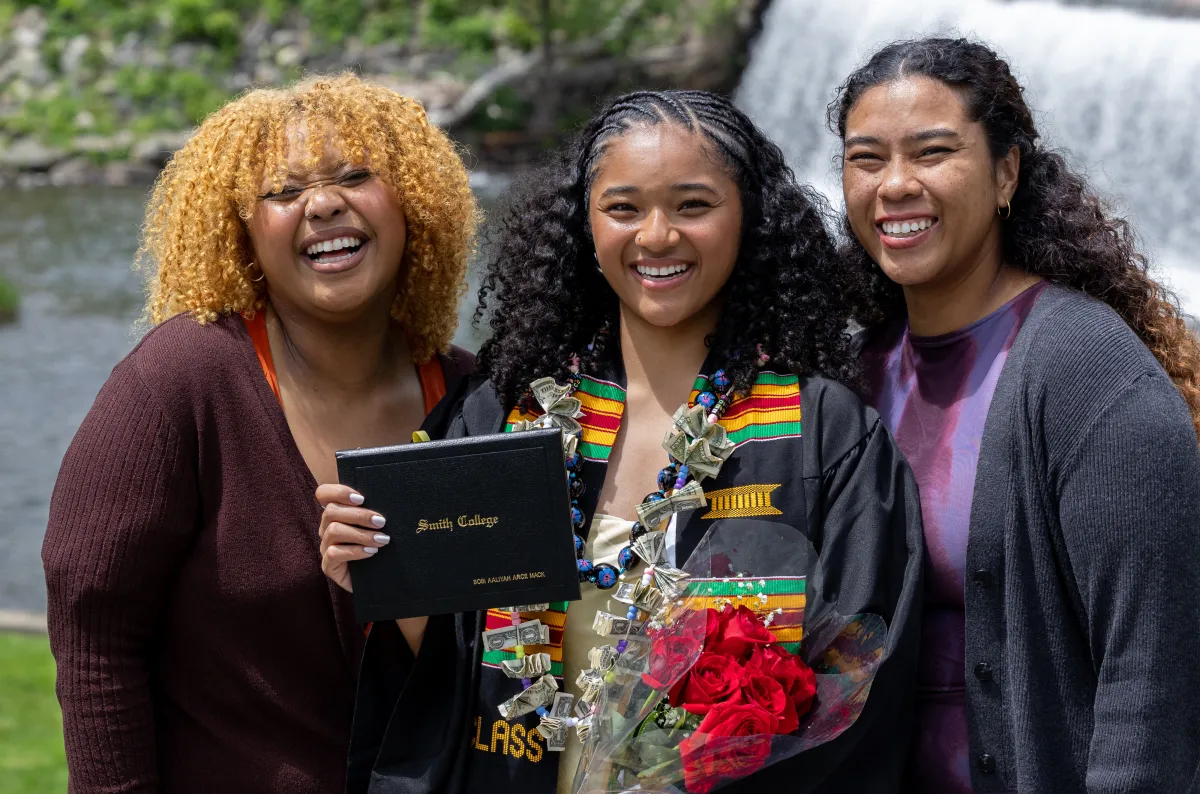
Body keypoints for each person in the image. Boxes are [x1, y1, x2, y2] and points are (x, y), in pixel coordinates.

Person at [318, 89, 924, 794]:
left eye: (694, 205)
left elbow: (856, 699)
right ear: (585, 225)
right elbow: (446, 677)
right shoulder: (509, 415)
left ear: (750, 219)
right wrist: (387, 571)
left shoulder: (826, 439)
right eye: (624, 208)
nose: (657, 235)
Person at [41, 74, 477, 793]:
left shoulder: (475, 396)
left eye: (356, 175)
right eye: (284, 192)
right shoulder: (178, 383)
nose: (324, 203)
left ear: (415, 204)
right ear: (239, 230)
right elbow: (95, 643)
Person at [830, 37, 1200, 794]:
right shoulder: (854, 372)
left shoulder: (1085, 371)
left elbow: (1155, 670)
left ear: (1006, 172)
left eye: (932, 153)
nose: (895, 185)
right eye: (866, 159)